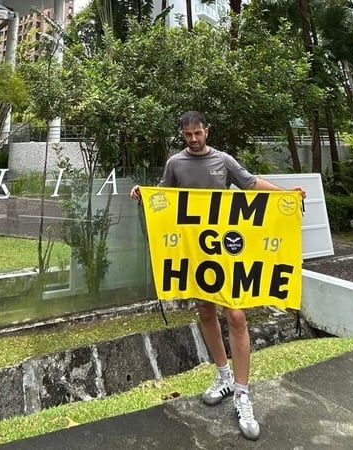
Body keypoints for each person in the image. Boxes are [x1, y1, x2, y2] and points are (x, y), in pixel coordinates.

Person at [130, 111, 305, 441]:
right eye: (188, 135)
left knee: (236, 316)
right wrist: (144, 193)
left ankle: (242, 393)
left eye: (198, 133)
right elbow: (165, 199)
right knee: (206, 312)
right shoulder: (175, 164)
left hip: (228, 253)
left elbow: (251, 184)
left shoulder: (223, 160)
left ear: (207, 131)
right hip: (198, 255)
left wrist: (286, 196)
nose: (193, 140)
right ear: (182, 135)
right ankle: (223, 376)